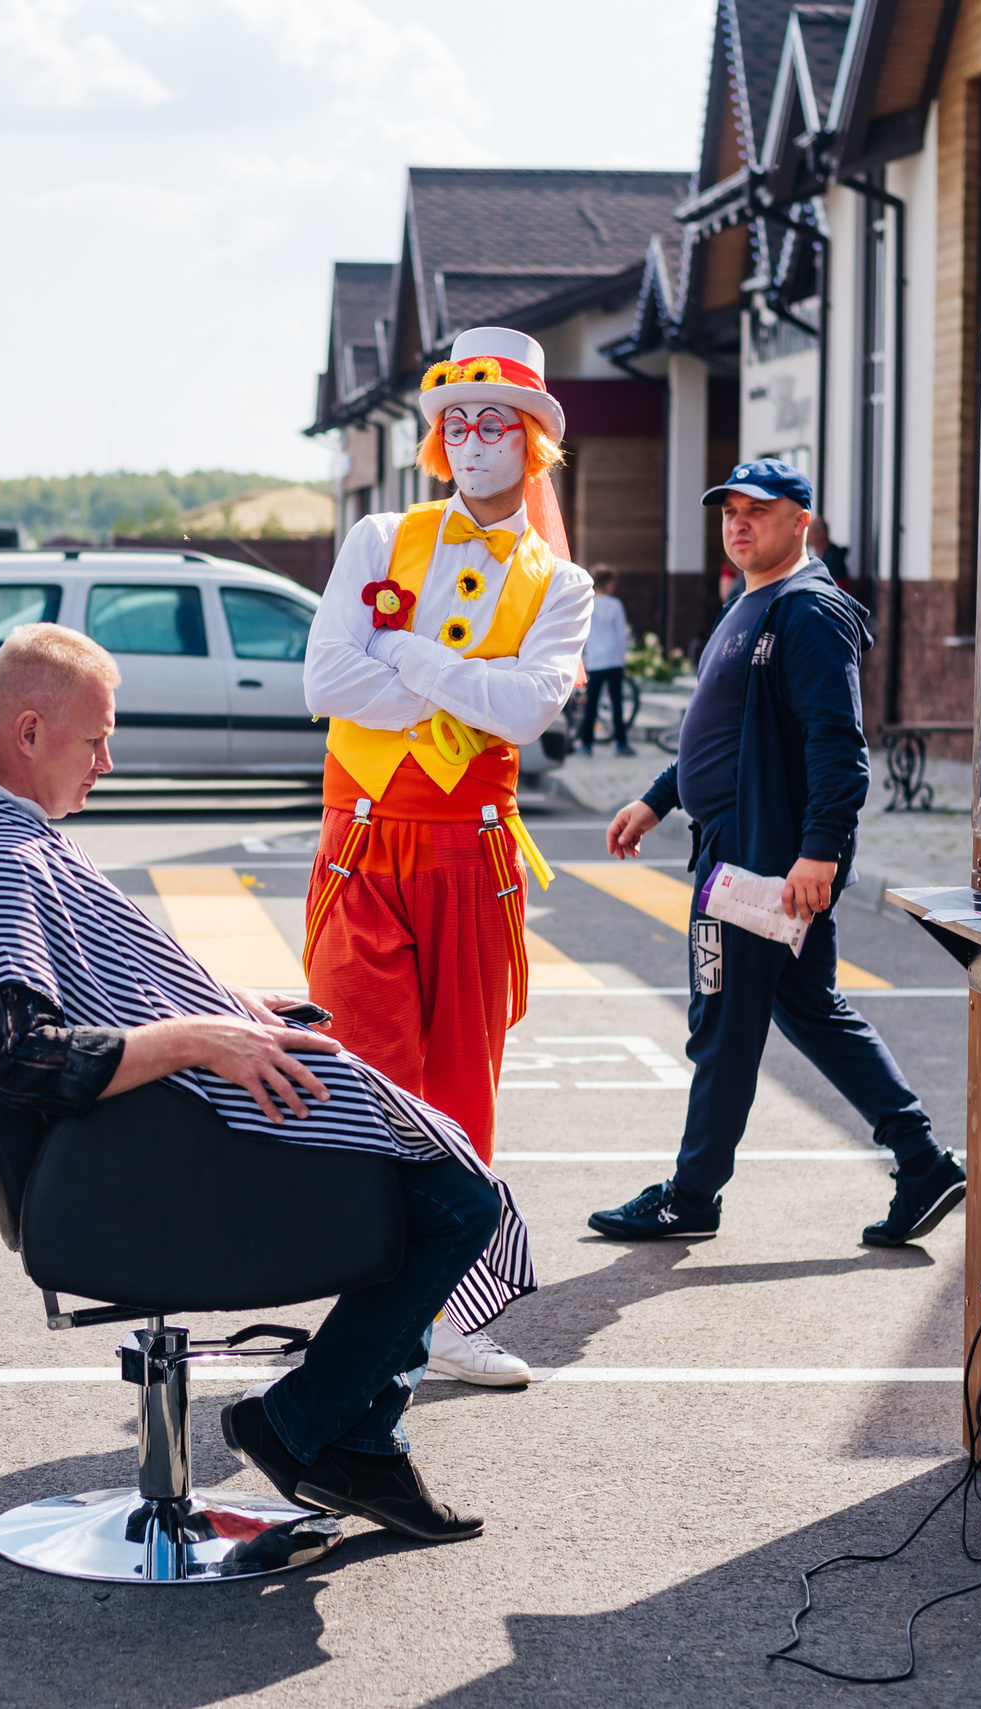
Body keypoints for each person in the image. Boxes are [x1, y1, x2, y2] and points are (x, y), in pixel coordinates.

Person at [0, 623, 530, 1546]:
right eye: (94, 738)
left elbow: (109, 979)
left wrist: (230, 1001)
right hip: (133, 1172)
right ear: (26, 733)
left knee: (436, 1178)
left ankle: (351, 1435)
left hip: (127, 1152)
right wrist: (203, 1036)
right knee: (455, 1197)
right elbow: (25, 1055)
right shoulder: (3, 862)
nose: (108, 759)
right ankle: (314, 1426)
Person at [300, 325, 591, 1390]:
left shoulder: (561, 584)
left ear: (533, 445)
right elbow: (327, 683)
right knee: (371, 1082)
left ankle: (454, 1319)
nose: (471, 441)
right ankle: (368, 1319)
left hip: (473, 858)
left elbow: (528, 709)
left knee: (464, 1087)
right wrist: (467, 681)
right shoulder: (379, 537)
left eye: (493, 423)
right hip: (365, 846)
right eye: (456, 423)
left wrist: (407, 656)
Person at [588, 461, 964, 1247]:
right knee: (811, 1010)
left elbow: (839, 745)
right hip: (745, 848)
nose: (737, 523)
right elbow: (721, 726)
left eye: (757, 510)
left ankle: (692, 1194)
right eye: (729, 510)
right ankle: (922, 1158)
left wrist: (819, 851)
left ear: (802, 521)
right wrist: (658, 797)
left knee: (723, 1023)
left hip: (760, 860)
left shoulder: (808, 612)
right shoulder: (747, 601)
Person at [577, 571, 634, 756]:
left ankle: (586, 744)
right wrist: (622, 657)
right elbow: (621, 635)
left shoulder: (587, 603)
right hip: (613, 659)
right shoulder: (615, 605)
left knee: (591, 704)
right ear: (609, 583)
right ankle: (620, 742)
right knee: (617, 703)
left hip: (595, 660)